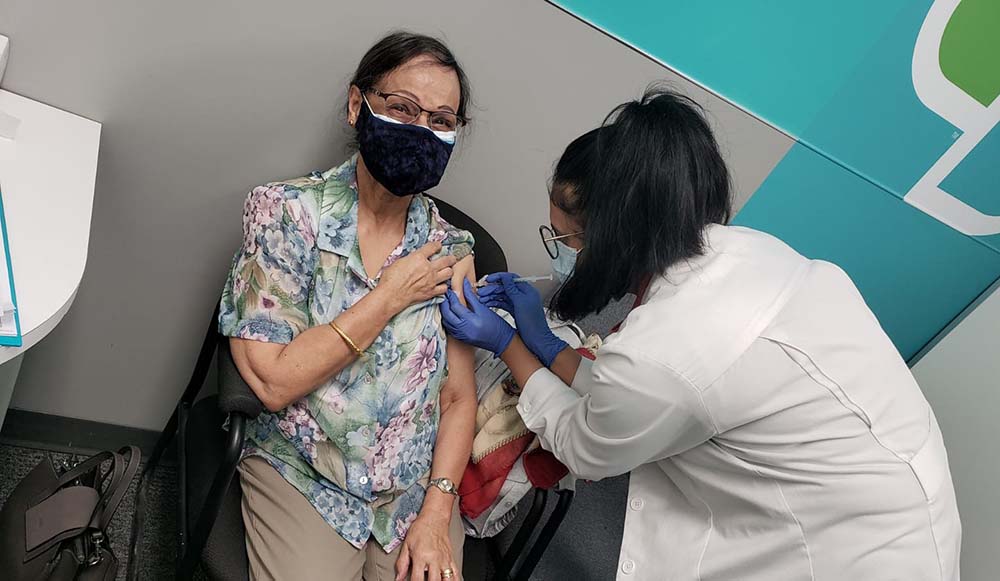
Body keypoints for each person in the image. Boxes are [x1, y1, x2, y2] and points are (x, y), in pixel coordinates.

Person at [440, 88, 962, 580]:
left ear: (617, 232)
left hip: (857, 552)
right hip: (882, 485)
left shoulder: (671, 349)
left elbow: (585, 441)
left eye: (568, 239)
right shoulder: (740, 253)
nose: (563, 252)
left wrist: (509, 344)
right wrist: (548, 345)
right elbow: (620, 391)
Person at [218, 31, 479, 581]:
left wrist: (437, 510)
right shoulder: (286, 214)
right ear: (358, 104)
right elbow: (272, 381)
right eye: (402, 108)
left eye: (441, 120)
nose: (421, 130)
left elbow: (457, 398)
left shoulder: (451, 250)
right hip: (305, 471)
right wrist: (389, 297)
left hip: (411, 492)